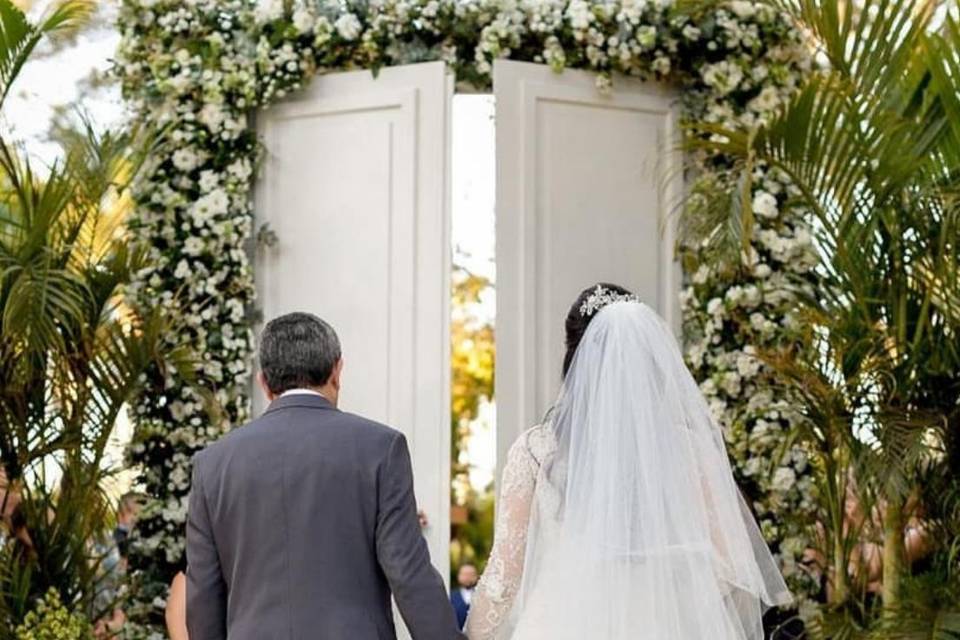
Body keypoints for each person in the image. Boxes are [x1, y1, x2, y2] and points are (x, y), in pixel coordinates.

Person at [465, 284, 793, 640]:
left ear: (574, 359)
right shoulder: (687, 449)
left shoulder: (537, 450)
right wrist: (674, 599)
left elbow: (503, 577)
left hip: (560, 625)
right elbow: (731, 563)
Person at [186, 312, 463, 640]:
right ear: (337, 370)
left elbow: (203, 594)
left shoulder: (212, 464)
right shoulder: (381, 448)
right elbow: (409, 574)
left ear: (263, 381)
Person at [450, 564, 478, 630]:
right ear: (458, 576)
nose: (467, 577)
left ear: (476, 576)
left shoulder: (482, 596)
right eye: (465, 574)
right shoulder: (450, 596)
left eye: (471, 574)